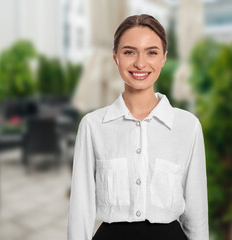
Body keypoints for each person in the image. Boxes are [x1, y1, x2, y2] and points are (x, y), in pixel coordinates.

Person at [67, 14, 209, 240]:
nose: (140, 63)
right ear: (115, 57)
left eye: (151, 52)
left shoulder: (187, 126)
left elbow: (197, 212)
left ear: (164, 58)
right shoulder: (93, 126)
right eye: (129, 52)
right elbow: (81, 208)